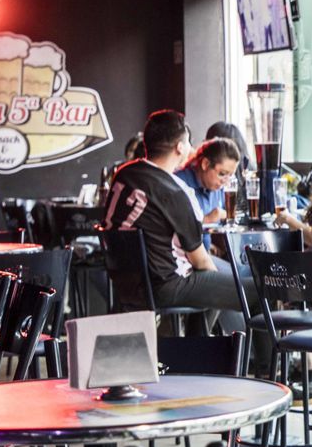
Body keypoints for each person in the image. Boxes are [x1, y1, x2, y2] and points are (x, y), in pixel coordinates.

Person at [103, 110, 243, 336]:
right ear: (180, 147)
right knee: (256, 291)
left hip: (127, 282)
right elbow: (201, 262)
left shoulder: (123, 174)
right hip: (166, 286)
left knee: (220, 281)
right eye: (188, 143)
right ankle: (263, 365)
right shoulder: (175, 191)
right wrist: (217, 284)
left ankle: (198, 350)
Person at [175, 137, 241, 227]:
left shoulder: (221, 188)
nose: (225, 182)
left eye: (230, 175)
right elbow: (175, 229)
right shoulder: (178, 183)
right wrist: (207, 219)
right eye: (222, 174)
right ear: (205, 164)